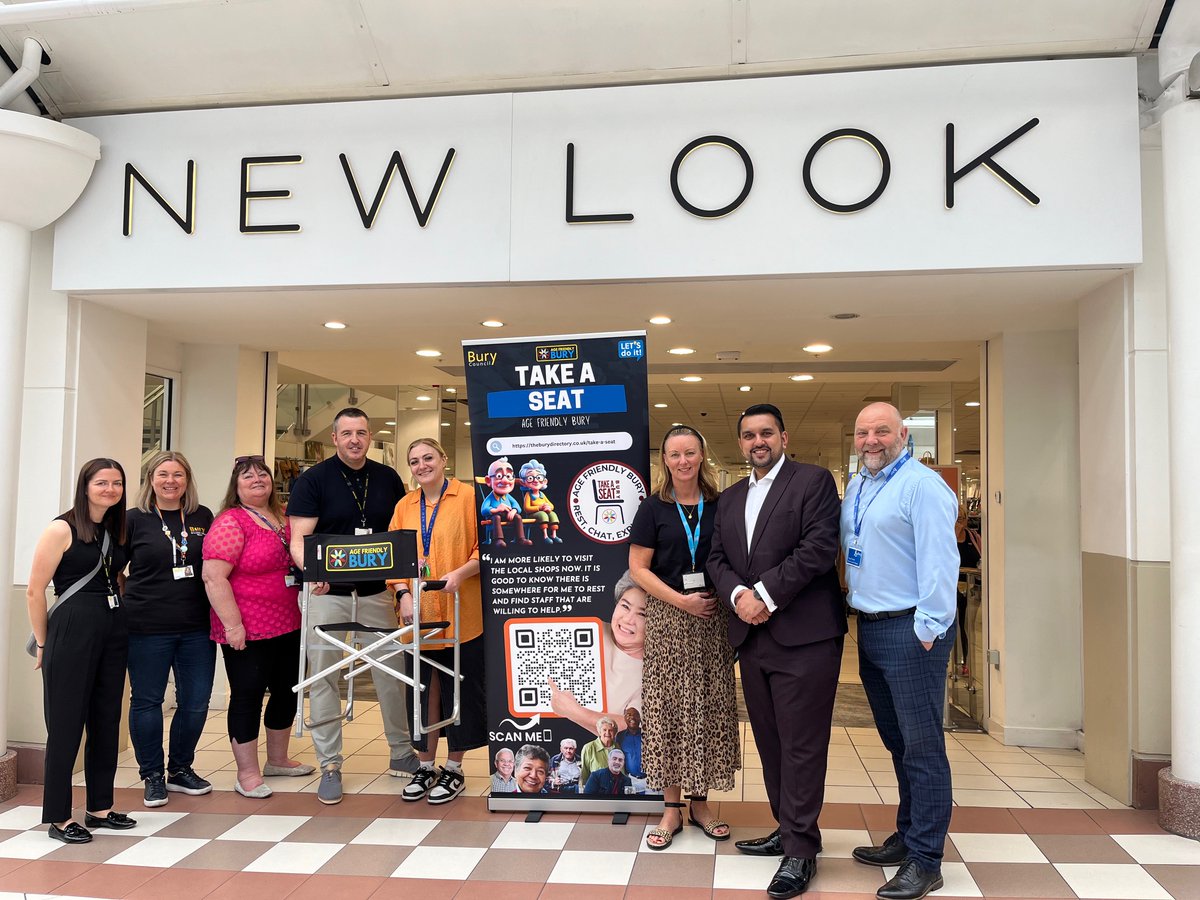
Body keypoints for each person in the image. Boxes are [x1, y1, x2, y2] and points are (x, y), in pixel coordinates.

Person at [708, 403, 844, 900]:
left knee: (802, 744)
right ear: (740, 443)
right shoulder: (730, 497)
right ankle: (789, 829)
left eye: (766, 433)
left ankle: (801, 851)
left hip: (804, 636)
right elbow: (716, 557)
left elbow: (817, 547)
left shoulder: (813, 482)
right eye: (748, 435)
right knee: (770, 741)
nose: (757, 441)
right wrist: (737, 597)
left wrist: (761, 595)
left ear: (783, 437)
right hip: (753, 638)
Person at [842, 403, 959, 900]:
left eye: (881, 430)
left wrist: (928, 628)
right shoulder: (860, 485)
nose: (871, 439)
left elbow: (940, 560)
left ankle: (926, 860)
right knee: (897, 742)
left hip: (912, 630)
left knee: (923, 746)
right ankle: (909, 837)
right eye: (863, 431)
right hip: (870, 626)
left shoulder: (922, 486)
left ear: (903, 434)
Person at [287, 407, 416, 805]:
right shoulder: (312, 480)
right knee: (322, 678)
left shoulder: (388, 478)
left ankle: (402, 751)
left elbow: (400, 534)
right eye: (347, 433)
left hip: (377, 593)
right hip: (328, 597)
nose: (355, 440)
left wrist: (401, 589)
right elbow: (298, 539)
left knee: (391, 675)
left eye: (361, 432)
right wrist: (312, 572)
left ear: (370, 435)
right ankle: (330, 764)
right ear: (334, 437)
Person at [630, 423, 739, 850]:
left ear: (702, 456)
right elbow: (638, 569)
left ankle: (701, 803)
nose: (683, 461)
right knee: (671, 710)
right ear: (665, 460)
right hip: (669, 620)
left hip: (712, 620)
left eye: (690, 452)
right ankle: (671, 809)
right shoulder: (652, 508)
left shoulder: (721, 505)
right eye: (675, 454)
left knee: (708, 709)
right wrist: (681, 600)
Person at [26, 458, 137, 844]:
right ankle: (58, 817)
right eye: (101, 482)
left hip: (112, 627)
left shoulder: (117, 527)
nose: (110, 489)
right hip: (72, 629)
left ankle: (100, 808)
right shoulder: (62, 528)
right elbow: (34, 590)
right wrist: (42, 642)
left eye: (117, 483)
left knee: (107, 720)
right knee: (66, 725)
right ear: (85, 486)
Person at [202, 455, 310, 800]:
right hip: (247, 627)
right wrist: (233, 626)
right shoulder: (231, 522)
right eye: (248, 477)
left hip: (289, 622)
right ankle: (246, 772)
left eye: (262, 474)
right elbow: (213, 577)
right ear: (236, 486)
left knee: (286, 690)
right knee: (247, 696)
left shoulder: (283, 517)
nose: (257, 480)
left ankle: (277, 759)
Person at [388, 438, 484, 805]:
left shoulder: (469, 497)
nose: (422, 465)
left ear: (444, 459)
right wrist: (403, 594)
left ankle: (454, 768)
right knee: (423, 690)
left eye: (428, 457)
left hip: (462, 611)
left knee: (458, 688)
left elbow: (486, 546)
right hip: (418, 615)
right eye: (414, 461)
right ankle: (426, 765)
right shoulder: (404, 506)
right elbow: (392, 558)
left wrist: (461, 573)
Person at [123, 451, 217, 808]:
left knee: (195, 702)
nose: (171, 481)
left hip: (196, 626)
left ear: (187, 480)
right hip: (146, 627)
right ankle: (152, 775)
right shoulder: (133, 519)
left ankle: (180, 768)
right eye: (163, 474)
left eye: (178, 475)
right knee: (147, 701)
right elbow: (116, 568)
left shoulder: (201, 516)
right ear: (150, 479)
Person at [548, 573, 645, 733]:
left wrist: (573, 711)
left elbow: (629, 725)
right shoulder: (588, 631)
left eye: (642, 614)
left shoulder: (654, 671)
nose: (628, 619)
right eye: (625, 606)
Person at [954, 504, 981, 672]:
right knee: (956, 625)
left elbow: (980, 556)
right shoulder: (946, 536)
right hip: (953, 587)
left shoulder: (973, 537)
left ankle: (967, 662)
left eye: (962, 518)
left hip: (971, 587)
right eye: (956, 518)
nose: (959, 522)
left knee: (967, 625)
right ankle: (956, 661)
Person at [578, 715, 620, 787]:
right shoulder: (589, 748)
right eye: (604, 730)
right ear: (599, 732)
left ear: (615, 733)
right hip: (597, 792)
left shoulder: (618, 747)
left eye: (610, 730)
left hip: (616, 791)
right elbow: (584, 774)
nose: (607, 733)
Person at [616, 707, 644, 779]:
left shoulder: (648, 735)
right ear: (625, 719)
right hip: (630, 779)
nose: (632, 717)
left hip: (649, 779)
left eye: (635, 715)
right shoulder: (620, 736)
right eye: (629, 715)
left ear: (640, 718)